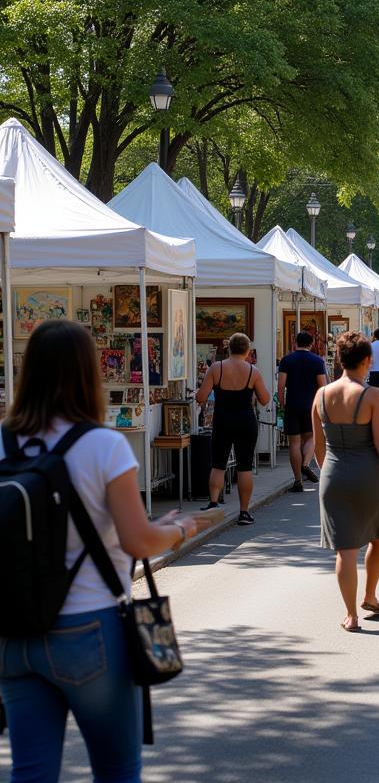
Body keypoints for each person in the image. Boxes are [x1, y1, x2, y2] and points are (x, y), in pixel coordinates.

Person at [0, 320, 201, 781]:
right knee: (116, 770)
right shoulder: (103, 445)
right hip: (88, 627)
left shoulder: (3, 442)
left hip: (15, 632)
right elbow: (137, 540)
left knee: (30, 772)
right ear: (89, 373)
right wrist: (179, 529)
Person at [314, 332, 379, 633]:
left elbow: (318, 447)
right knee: (378, 536)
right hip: (368, 474)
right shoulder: (371, 395)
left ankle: (350, 615)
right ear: (367, 360)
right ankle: (369, 595)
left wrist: (328, 472)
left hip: (333, 474)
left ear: (340, 359)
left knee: (345, 550)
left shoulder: (321, 395)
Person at [195, 332, 271, 525]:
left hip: (222, 420)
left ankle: (213, 503)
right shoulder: (253, 372)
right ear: (247, 351)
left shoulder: (216, 368)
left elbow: (201, 397)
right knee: (244, 466)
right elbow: (265, 399)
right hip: (246, 421)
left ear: (228, 348)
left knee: (218, 464)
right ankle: (244, 512)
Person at [278, 330, 328, 493]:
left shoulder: (287, 360)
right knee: (311, 437)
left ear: (295, 343)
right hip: (311, 405)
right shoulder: (317, 361)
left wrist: (282, 402)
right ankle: (306, 464)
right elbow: (322, 385)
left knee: (294, 442)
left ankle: (298, 480)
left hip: (292, 403)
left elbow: (281, 385)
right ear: (311, 344)